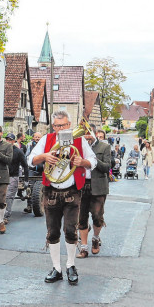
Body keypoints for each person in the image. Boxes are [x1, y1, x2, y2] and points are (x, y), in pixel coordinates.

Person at [27, 110, 97, 284]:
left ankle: (71, 265)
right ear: (53, 126)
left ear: (69, 125)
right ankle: (56, 268)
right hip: (51, 191)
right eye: (57, 126)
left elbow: (93, 161)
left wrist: (82, 163)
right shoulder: (46, 139)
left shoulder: (79, 140)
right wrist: (44, 156)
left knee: (71, 230)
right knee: (52, 232)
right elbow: (30, 159)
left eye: (63, 125)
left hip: (72, 190)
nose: (60, 129)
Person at [77, 128, 111, 258]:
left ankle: (96, 238)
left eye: (88, 134)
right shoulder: (78, 147)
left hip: (98, 186)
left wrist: (93, 159)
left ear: (94, 134)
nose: (86, 137)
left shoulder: (105, 146)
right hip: (81, 185)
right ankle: (84, 248)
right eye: (83, 135)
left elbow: (107, 167)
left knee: (97, 217)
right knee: (81, 218)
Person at [2, 133, 29, 226]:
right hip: (2, 176)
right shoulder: (2, 150)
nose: (9, 141)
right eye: (7, 139)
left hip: (13, 176)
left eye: (11, 140)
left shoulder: (18, 151)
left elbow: (25, 166)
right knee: (2, 196)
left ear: (14, 141)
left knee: (8, 196)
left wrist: (26, 179)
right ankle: (2, 213)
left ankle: (6, 216)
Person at [24, 132, 43, 213]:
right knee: (30, 187)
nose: (37, 138)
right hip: (32, 169)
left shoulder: (44, 145)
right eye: (36, 137)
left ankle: (43, 205)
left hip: (42, 169)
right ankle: (29, 206)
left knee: (42, 188)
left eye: (39, 137)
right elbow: (26, 156)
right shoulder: (29, 145)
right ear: (33, 138)